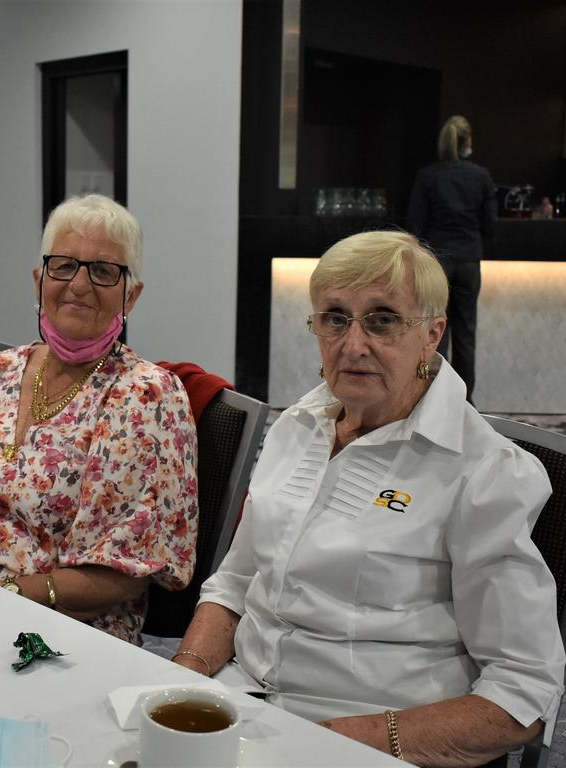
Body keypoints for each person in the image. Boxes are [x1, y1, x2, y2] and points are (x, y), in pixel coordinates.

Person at [174, 231, 564, 767]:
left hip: (377, 741)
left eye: (382, 320)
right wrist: (182, 678)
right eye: (335, 317)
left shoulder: (484, 471)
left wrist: (348, 739)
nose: (353, 345)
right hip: (244, 711)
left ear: (432, 333)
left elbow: (524, 689)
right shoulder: (296, 427)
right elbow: (238, 583)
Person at [0, 194, 199, 644]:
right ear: (39, 281)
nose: (80, 285)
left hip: (55, 632)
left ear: (133, 295)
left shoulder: (147, 396)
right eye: (64, 266)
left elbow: (126, 570)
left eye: (105, 271)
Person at [407, 115, 497, 404]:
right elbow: (490, 225)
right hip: (470, 260)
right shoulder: (481, 176)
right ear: (467, 142)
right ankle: (465, 403)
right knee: (466, 335)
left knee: (436, 335)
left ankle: (435, 401)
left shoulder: (428, 176)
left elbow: (415, 224)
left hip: (438, 262)